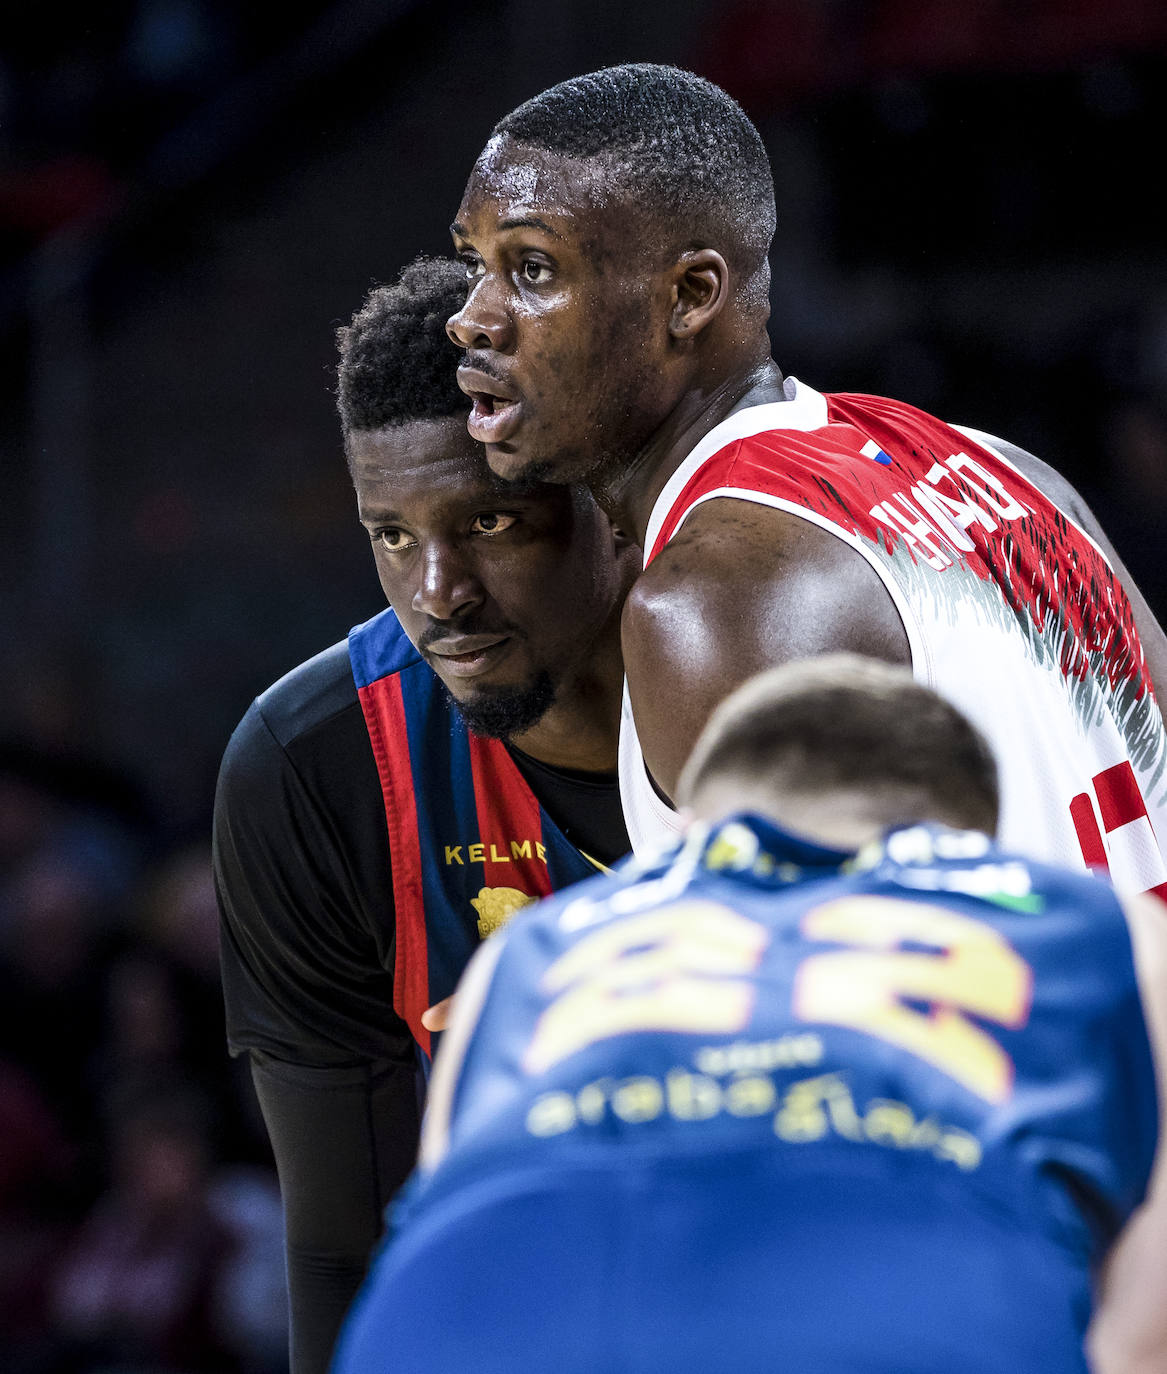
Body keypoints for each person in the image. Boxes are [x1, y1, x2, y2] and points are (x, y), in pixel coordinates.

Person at [445, 62, 1167, 895]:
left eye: (532, 269)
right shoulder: (1002, 468)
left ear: (689, 296)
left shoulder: (714, 603)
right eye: (473, 264)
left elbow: (802, 999)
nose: (472, 317)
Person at [333, 654, 1167, 1374]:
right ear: (968, 838)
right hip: (908, 1286)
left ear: (690, 825)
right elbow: (1143, 1343)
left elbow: (437, 1198)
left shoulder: (534, 944)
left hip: (465, 1309)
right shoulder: (1092, 918)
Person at [212, 256, 636, 1374]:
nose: (437, 590)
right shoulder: (313, 768)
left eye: (489, 519)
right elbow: (344, 1247)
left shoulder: (773, 676)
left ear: (608, 500)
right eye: (391, 535)